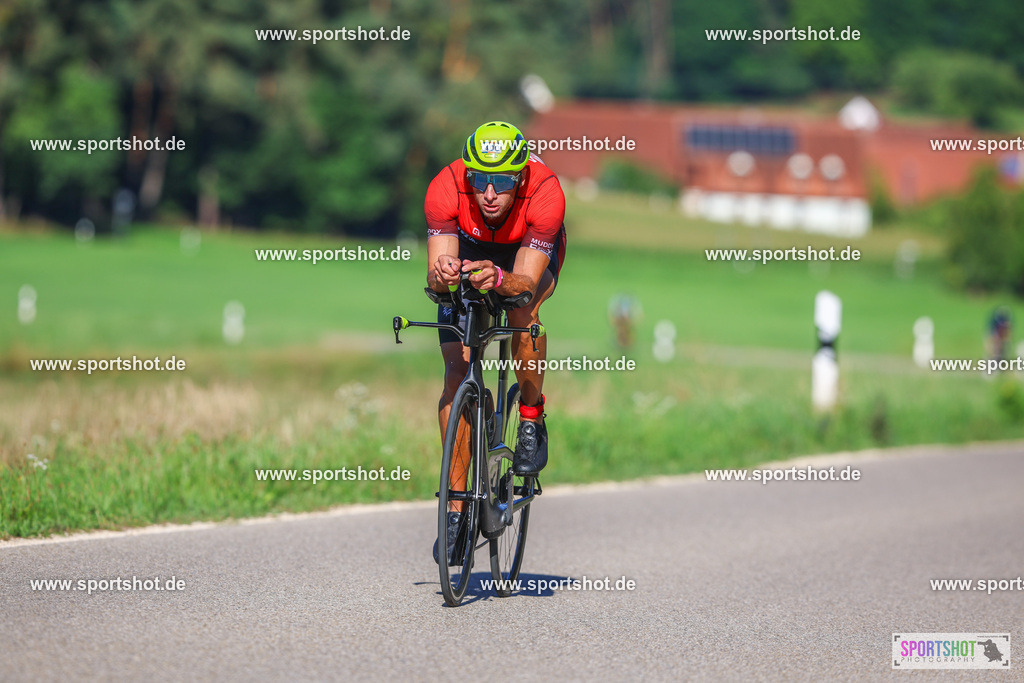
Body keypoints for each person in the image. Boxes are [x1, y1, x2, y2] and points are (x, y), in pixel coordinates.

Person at [423, 121, 566, 564]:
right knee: (455, 369)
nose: (488, 192)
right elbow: (434, 275)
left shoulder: (546, 193)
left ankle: (530, 415)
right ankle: (456, 508)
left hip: (523, 252)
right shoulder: (445, 189)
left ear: (520, 176)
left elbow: (523, 282)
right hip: (468, 247)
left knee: (523, 312)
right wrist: (443, 275)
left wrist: (501, 278)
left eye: (501, 181)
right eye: (479, 178)